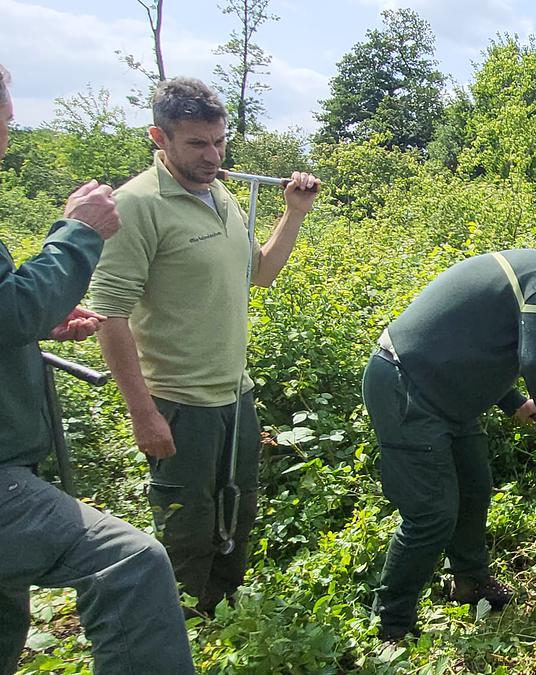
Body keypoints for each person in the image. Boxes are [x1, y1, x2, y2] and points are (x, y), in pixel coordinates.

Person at [91, 77, 320, 616]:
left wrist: (294, 213)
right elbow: (110, 316)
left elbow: (260, 273)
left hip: (233, 395)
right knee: (187, 524)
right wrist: (143, 414)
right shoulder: (136, 206)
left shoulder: (220, 196)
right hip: (176, 400)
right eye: (196, 143)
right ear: (159, 138)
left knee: (238, 511)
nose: (212, 155)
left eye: (219, 142)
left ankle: (226, 619)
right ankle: (182, 627)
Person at [0, 64, 194, 674]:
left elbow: (9, 313)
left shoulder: (217, 204)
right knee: (129, 562)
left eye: (8, 122)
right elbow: (12, 311)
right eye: (2, 122)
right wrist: (78, 234)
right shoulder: (141, 203)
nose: (8, 138)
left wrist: (38, 321)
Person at [363, 246, 536, 640]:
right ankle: (390, 623)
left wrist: (516, 403)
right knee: (431, 513)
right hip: (407, 386)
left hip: (447, 398)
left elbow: (479, 343)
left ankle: (471, 583)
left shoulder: (535, 273)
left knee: (475, 489)